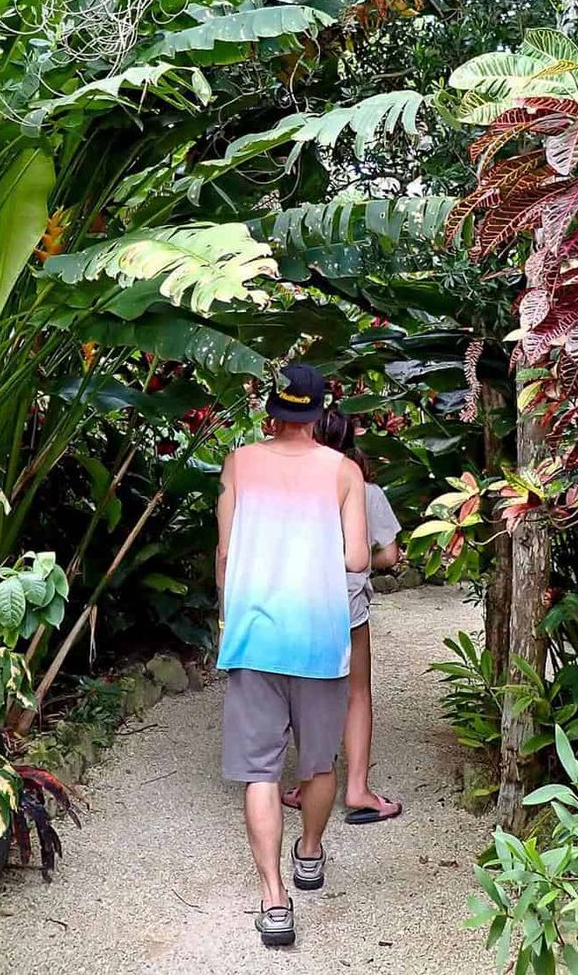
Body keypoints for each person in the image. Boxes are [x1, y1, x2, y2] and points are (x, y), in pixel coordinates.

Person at [216, 363, 370, 949]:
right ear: (319, 413)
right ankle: (310, 852)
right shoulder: (344, 472)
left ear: (271, 409)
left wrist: (226, 613)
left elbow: (225, 551)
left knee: (259, 771)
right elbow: (357, 558)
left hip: (255, 635)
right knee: (318, 764)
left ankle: (274, 901)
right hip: (319, 636)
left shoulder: (240, 464)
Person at [280, 406, 404, 824]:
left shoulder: (292, 485)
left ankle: (309, 784)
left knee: (309, 695)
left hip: (300, 604)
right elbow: (389, 553)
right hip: (348, 606)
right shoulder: (366, 489)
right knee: (356, 694)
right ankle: (357, 789)